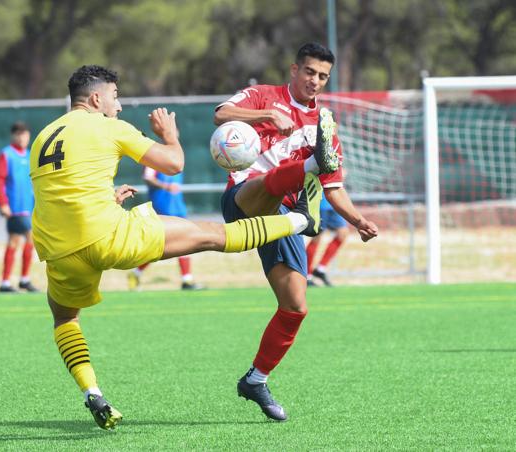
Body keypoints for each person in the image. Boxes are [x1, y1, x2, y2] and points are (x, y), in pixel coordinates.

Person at [29, 65, 336, 430]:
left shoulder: (42, 137)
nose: (119, 106)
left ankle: (92, 392)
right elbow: (173, 164)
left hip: (59, 249)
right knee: (211, 236)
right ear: (96, 98)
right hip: (109, 235)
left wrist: (108, 198)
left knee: (65, 318)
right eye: (115, 97)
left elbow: (60, 194)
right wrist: (169, 135)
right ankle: (301, 220)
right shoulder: (109, 126)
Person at [214, 42, 378, 421]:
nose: (315, 81)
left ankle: (256, 379)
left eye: (322, 76)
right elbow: (221, 114)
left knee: (295, 307)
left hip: (287, 216)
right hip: (244, 199)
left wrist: (357, 221)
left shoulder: (324, 127)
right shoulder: (264, 96)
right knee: (273, 184)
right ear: (294, 70)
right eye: (309, 72)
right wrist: (266, 115)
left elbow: (334, 188)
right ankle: (304, 182)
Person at [128, 166, 204, 291]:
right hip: (162, 208)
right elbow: (148, 178)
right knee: (159, 246)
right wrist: (165, 186)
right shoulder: (153, 160)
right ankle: (135, 273)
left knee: (186, 242)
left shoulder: (177, 160)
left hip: (178, 208)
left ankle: (187, 280)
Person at [0, 121, 38, 293]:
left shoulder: (29, 155)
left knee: (14, 242)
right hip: (14, 208)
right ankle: (24, 280)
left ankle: (6, 282)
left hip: (28, 206)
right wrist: (3, 203)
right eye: (18, 134)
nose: (22, 137)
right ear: (13, 136)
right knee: (31, 237)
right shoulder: (7, 155)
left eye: (25, 134)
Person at [306, 191, 350, 287]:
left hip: (335, 202)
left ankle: (320, 269)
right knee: (317, 237)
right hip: (320, 202)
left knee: (343, 234)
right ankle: (306, 274)